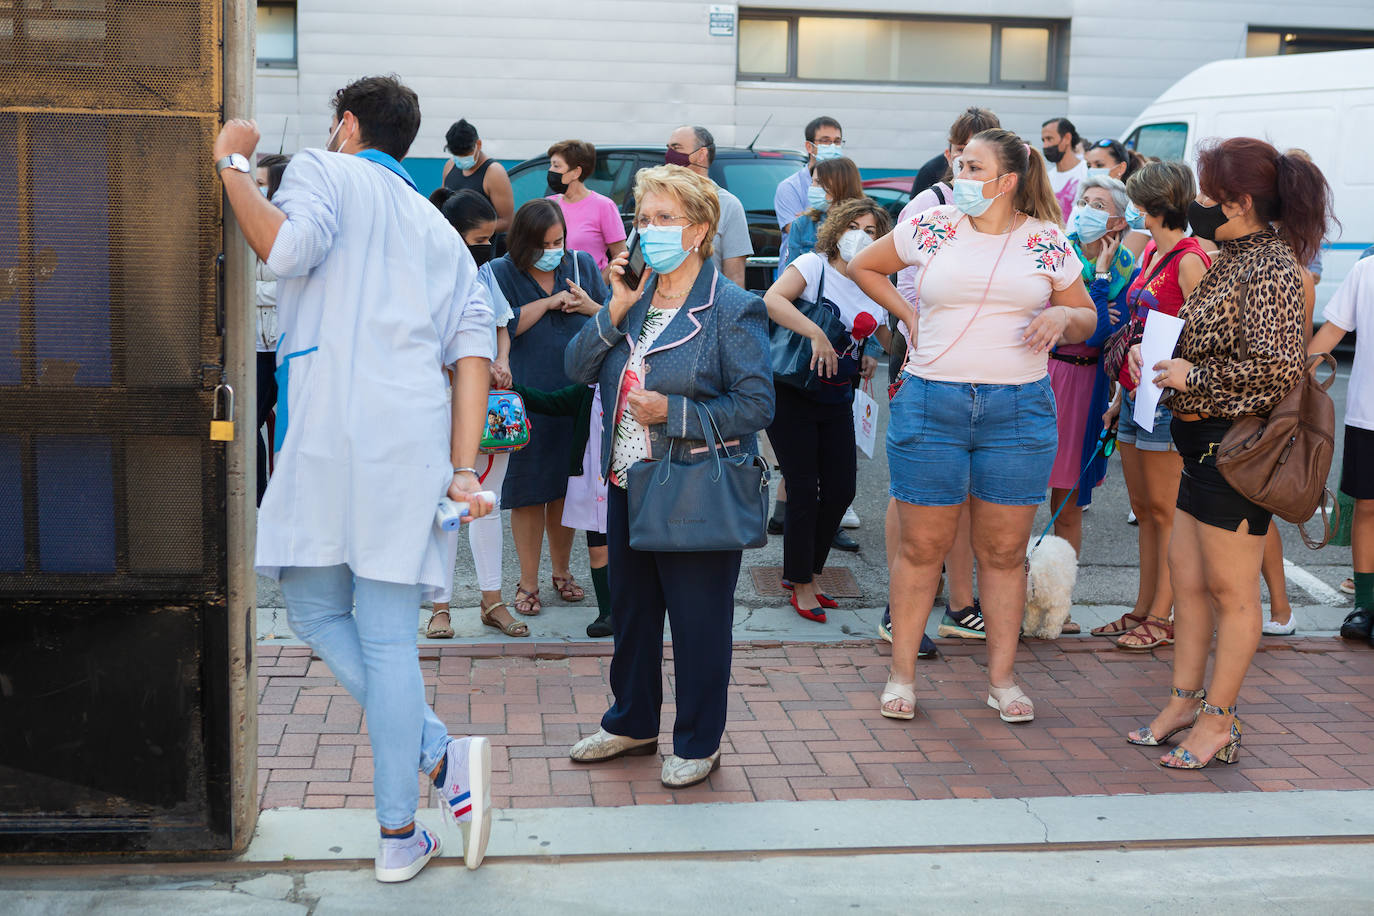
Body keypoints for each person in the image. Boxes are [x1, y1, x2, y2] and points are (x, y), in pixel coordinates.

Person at [212, 76, 495, 881]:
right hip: (408, 440)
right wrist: (463, 468)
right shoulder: (439, 229)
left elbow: (287, 248)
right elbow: (472, 349)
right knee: (370, 630)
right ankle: (425, 782)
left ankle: (414, 806)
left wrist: (233, 164)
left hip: (331, 432)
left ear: (345, 126)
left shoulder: (320, 169)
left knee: (317, 613)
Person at [850, 128, 1097, 722]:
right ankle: (902, 676)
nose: (959, 175)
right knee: (922, 546)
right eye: (959, 165)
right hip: (932, 400)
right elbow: (864, 265)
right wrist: (910, 316)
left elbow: (1087, 318)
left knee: (1006, 551)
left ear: (1007, 180)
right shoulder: (932, 225)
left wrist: (1064, 312)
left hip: (1018, 410)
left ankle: (1003, 680)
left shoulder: (1046, 241)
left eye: (972, 166)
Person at [1125, 137, 1331, 769]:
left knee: (1231, 591)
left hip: (1236, 449)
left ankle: (1218, 721)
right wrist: (1162, 360)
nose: (1200, 203)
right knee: (1188, 582)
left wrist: (1193, 379)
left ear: (1241, 203)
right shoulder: (1232, 257)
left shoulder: (1268, 264)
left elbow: (1273, 370)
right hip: (1202, 447)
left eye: (1210, 195)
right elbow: (1213, 340)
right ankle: (1185, 702)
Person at [565, 164, 773, 788]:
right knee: (632, 616)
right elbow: (577, 366)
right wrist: (613, 309)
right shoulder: (633, 301)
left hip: (692, 487)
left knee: (698, 623)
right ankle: (632, 722)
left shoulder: (732, 308)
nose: (646, 230)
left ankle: (699, 740)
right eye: (642, 218)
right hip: (630, 483)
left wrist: (675, 412)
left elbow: (758, 404)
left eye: (662, 219)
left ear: (699, 230)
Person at [884, 106, 1002, 647]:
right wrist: (918, 330)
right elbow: (900, 279)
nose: (969, 165)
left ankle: (959, 603)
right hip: (923, 358)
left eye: (982, 157)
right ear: (951, 150)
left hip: (983, 367)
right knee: (913, 487)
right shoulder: (927, 205)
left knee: (966, 489)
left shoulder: (1009, 210)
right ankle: (896, 606)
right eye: (964, 154)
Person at [1095, 162, 1211, 651]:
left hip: (1167, 397)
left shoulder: (1189, 258)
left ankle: (1164, 615)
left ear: (1151, 204)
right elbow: (1140, 328)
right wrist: (1120, 396)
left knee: (1165, 511)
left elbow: (1206, 334)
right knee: (1144, 509)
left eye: (1138, 202)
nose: (1135, 210)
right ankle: (1144, 607)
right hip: (1139, 393)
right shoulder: (1151, 254)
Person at [763, 198, 891, 622]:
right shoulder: (814, 264)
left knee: (841, 489)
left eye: (872, 230)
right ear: (837, 229)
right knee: (804, 487)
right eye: (854, 225)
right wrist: (816, 332)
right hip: (794, 390)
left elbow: (885, 332)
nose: (861, 235)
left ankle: (806, 572)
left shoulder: (875, 278)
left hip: (838, 394)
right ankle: (801, 582)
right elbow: (772, 300)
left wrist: (873, 350)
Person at [487, 199, 610, 618]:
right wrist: (548, 302)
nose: (554, 250)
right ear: (523, 243)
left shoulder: (579, 265)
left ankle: (562, 573)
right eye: (544, 244)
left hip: (576, 393)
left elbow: (608, 316)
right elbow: (499, 325)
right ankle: (527, 582)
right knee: (526, 492)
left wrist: (585, 304)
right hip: (523, 397)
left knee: (566, 488)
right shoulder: (501, 272)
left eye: (559, 241)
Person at [425, 189, 528, 640]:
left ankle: (492, 601)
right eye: (481, 238)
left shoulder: (484, 272)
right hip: (442, 405)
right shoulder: (426, 273)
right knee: (447, 506)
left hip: (488, 405)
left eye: (491, 237)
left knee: (489, 504)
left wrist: (500, 360)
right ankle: (440, 608)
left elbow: (502, 325)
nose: (488, 247)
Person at [1045, 175, 1135, 559]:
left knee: (1068, 503)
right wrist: (1087, 318)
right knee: (1014, 494)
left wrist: (1099, 278)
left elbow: (1102, 334)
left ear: (1117, 222)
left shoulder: (1127, 266)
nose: (1085, 210)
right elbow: (1045, 322)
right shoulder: (1056, 252)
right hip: (1049, 376)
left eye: (1099, 205)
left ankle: (1057, 600)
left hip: (1090, 385)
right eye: (1083, 201)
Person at [512, 380, 612, 637]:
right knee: (599, 550)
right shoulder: (587, 392)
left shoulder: (636, 389)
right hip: (597, 486)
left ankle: (634, 608)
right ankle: (608, 613)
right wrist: (514, 386)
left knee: (633, 551)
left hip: (628, 484)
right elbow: (549, 402)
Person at [1310, 256, 1373, 647]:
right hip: (1367, 415)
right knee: (1365, 507)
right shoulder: (1366, 271)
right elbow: (1332, 330)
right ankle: (1365, 606)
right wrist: (1291, 378)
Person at [665, 125, 753, 286]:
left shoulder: (728, 205)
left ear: (701, 154)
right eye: (669, 148)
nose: (670, 154)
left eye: (677, 148)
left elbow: (736, 278)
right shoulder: (657, 201)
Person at [253, 152, 289, 506]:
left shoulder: (292, 231)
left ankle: (279, 500)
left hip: (286, 346)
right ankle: (259, 499)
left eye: (262, 184)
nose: (257, 191)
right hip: (257, 347)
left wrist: (250, 290)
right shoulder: (250, 225)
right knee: (251, 425)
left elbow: (288, 288)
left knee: (289, 431)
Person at [546, 138, 627, 271]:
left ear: (576, 172)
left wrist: (598, 285)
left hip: (589, 289)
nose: (550, 170)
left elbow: (620, 256)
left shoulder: (604, 206)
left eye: (556, 166)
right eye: (551, 165)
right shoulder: (549, 204)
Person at [775, 116, 843, 269]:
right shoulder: (790, 187)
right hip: (797, 272)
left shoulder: (846, 183)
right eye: (825, 141)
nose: (832, 146)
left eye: (837, 141)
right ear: (809, 147)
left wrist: (809, 216)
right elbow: (796, 229)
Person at [782, 156, 864, 267]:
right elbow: (790, 272)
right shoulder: (803, 224)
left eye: (819, 182)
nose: (812, 187)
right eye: (812, 182)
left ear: (840, 185)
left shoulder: (866, 223)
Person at [441, 118, 514, 233]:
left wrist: (471, 231)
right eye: (456, 155)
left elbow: (507, 221)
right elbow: (443, 204)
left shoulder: (494, 172)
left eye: (465, 154)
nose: (460, 159)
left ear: (478, 145)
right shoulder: (450, 166)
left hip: (480, 247)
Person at [1041, 117, 1087, 222]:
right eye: (1043, 140)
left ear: (1067, 138)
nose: (1045, 145)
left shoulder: (1087, 172)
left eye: (1049, 139)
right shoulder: (1046, 178)